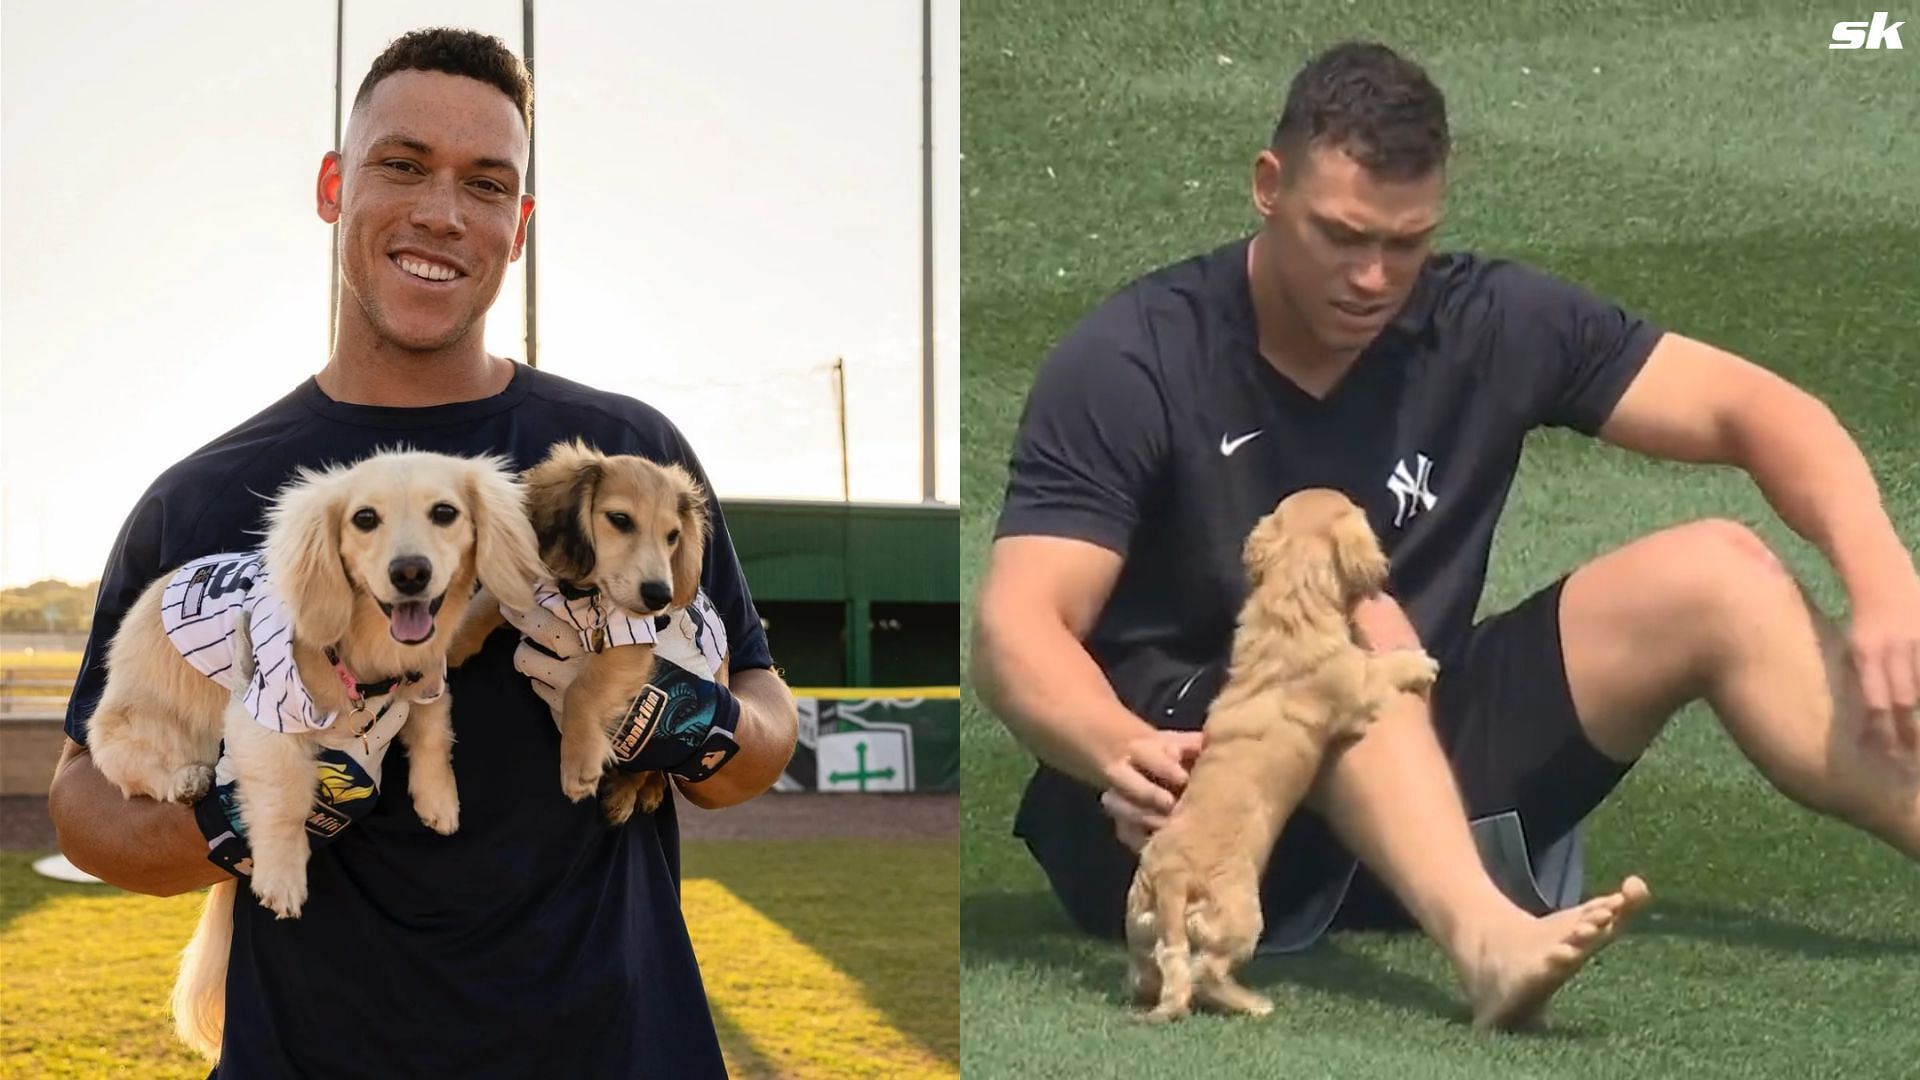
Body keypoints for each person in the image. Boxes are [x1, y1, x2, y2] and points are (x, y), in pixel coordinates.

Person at [970, 40, 1919, 1030]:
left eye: (1407, 243)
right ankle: (1492, 942)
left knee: (1718, 572)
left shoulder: (1486, 320)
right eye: (1341, 237)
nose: (1375, 277)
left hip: (1411, 784)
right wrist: (1115, 745)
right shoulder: (1135, 357)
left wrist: (1888, 587)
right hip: (1188, 817)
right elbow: (1018, 629)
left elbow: (1758, 412)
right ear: (1267, 187)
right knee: (1350, 624)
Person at [48, 28, 798, 1077]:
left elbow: (764, 724)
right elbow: (83, 803)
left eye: (487, 184)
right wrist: (248, 813)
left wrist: (690, 722)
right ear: (332, 186)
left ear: (519, 224)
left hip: (619, 1049)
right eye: (401, 166)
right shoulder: (207, 497)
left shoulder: (626, 464)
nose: (443, 212)